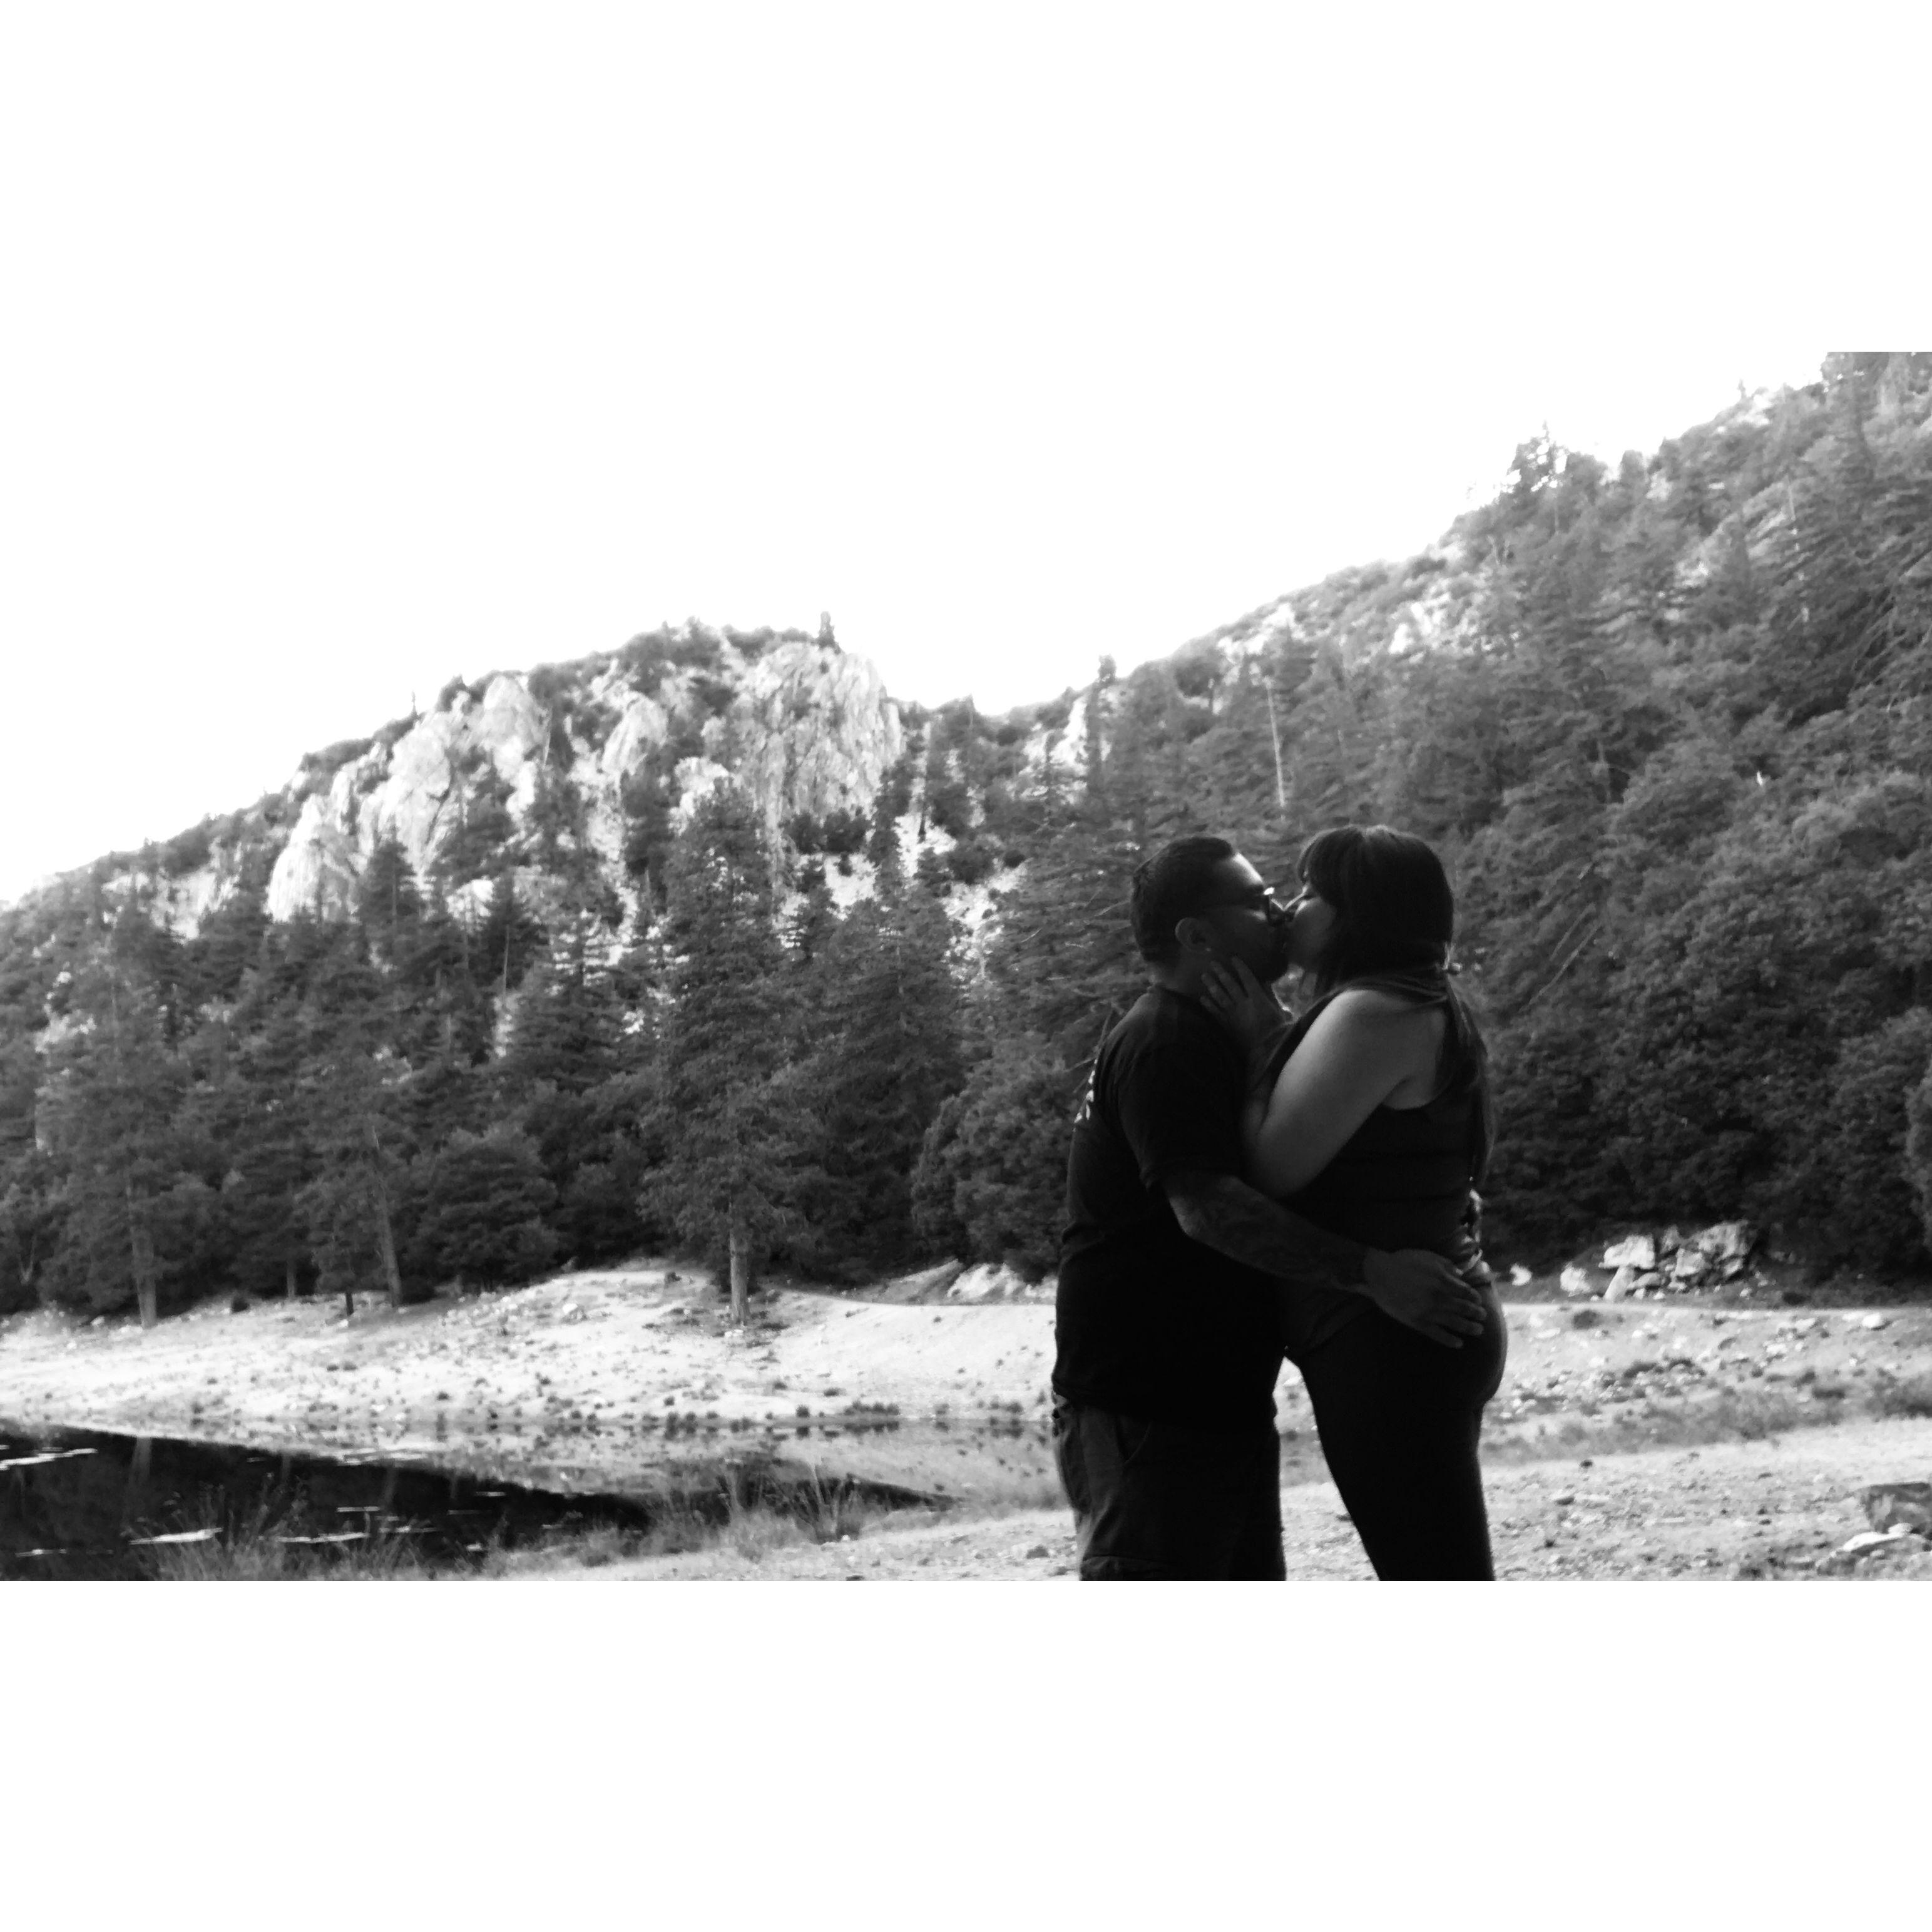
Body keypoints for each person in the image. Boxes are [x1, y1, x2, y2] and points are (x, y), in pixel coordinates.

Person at [1053, 834, 1491, 1581]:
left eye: (1299, 895)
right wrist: (1370, 1269)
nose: (1283, 911)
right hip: (1148, 1396)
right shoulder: (1167, 1041)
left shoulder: (1240, 1028)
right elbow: (1212, 1210)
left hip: (1211, 1396)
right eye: (1259, 903)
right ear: (1198, 937)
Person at [1201, 823, 1507, 1580]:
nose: (1289, 910)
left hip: (1390, 1345)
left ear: (1358, 917)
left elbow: (1268, 1169)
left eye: (1311, 894)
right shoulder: (1418, 1001)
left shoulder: (1373, 1013)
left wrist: (1257, 1041)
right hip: (1417, 1329)